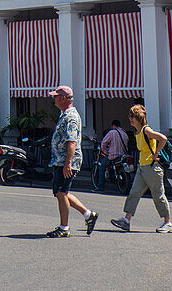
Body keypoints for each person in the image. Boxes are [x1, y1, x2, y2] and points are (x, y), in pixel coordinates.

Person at [111, 104, 172, 233]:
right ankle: (126, 220)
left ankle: (168, 223)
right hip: (142, 167)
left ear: (138, 117)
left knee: (158, 195)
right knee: (134, 193)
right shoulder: (138, 132)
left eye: (132, 116)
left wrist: (156, 154)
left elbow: (163, 138)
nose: (130, 119)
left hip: (152, 168)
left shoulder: (146, 130)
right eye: (130, 116)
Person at [46, 85, 98, 238]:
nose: (54, 99)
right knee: (61, 192)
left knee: (61, 193)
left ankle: (64, 227)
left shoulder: (71, 117)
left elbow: (72, 141)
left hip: (65, 162)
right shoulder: (65, 115)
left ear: (63, 98)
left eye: (56, 96)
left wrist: (68, 163)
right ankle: (88, 214)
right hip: (60, 160)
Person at [97, 118, 129, 187]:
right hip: (123, 156)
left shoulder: (112, 132)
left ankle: (100, 187)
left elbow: (103, 143)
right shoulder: (124, 133)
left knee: (102, 167)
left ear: (113, 125)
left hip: (113, 156)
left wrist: (106, 152)